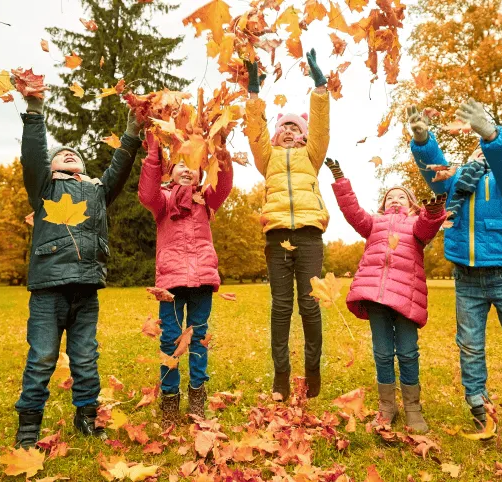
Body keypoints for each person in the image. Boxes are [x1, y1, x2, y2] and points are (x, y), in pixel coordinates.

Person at [408, 99, 502, 453]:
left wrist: (492, 134)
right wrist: (424, 140)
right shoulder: (458, 180)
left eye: (485, 140)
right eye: (477, 142)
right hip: (466, 278)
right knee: (470, 347)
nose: (479, 147)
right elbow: (434, 172)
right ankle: (478, 405)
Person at [13, 89, 144, 448]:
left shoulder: (98, 192)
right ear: (51, 167)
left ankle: (87, 417)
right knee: (41, 358)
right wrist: (36, 111)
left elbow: (119, 169)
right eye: (60, 154)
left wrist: (132, 133)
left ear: (84, 169)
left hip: (86, 288)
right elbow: (33, 156)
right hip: (48, 289)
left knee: (86, 357)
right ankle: (28, 428)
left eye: (75, 155)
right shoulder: (44, 189)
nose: (68, 153)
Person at [325, 158, 446, 432]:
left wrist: (434, 210)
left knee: (407, 352)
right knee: (382, 353)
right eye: (390, 196)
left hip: (406, 298)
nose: (395, 199)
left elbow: (429, 226)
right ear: (382, 205)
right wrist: (340, 179)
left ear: (412, 204)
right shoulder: (374, 224)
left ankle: (413, 408)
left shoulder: (416, 224)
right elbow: (353, 211)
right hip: (376, 297)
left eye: (401, 196)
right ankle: (387, 407)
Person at [243, 49, 331, 400]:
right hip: (278, 234)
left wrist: (320, 88)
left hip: (309, 234)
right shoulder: (268, 158)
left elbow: (321, 128)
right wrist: (253, 95)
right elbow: (255, 133)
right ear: (276, 136)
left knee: (309, 304)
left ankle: (312, 373)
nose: (290, 132)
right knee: (281, 306)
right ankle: (281, 376)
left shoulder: (313, 155)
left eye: (296, 128)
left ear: (304, 135)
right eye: (285, 128)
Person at [137, 133, 233, 425]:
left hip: (203, 279)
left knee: (199, 338)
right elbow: (147, 192)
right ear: (170, 171)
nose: (187, 168)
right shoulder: (162, 201)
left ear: (201, 171)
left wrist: (220, 149)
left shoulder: (206, 199)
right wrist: (154, 150)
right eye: (180, 163)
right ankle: (169, 400)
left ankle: (197, 397)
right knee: (170, 339)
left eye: (193, 163)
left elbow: (224, 184)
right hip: (171, 283)